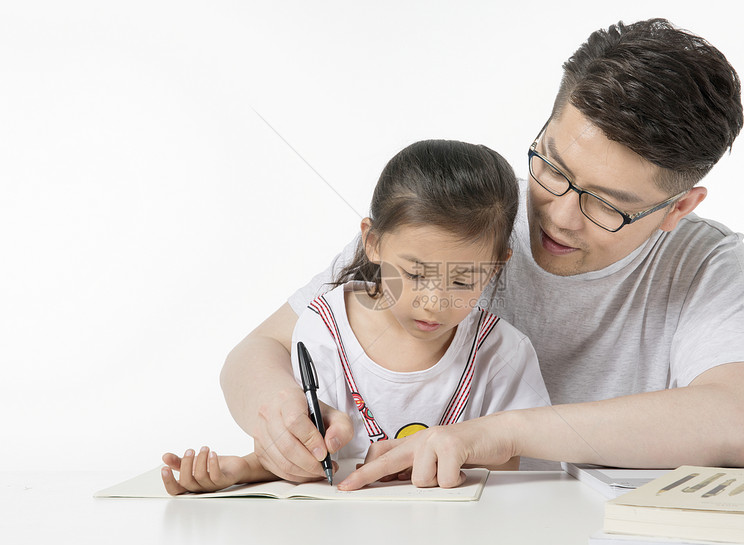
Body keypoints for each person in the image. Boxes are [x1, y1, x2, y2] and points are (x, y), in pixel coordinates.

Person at [220, 18, 744, 492]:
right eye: (553, 168)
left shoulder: (701, 259)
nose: (558, 215)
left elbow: (740, 418)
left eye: (608, 206)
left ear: (678, 207)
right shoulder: (465, 217)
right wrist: (278, 412)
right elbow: (262, 348)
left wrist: (500, 433)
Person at [161, 139, 551, 494]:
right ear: (372, 242)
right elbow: (312, 455)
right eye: (415, 274)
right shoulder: (324, 328)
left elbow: (508, 465)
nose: (434, 302)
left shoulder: (504, 352)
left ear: (498, 266)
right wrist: (246, 469)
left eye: (464, 281)